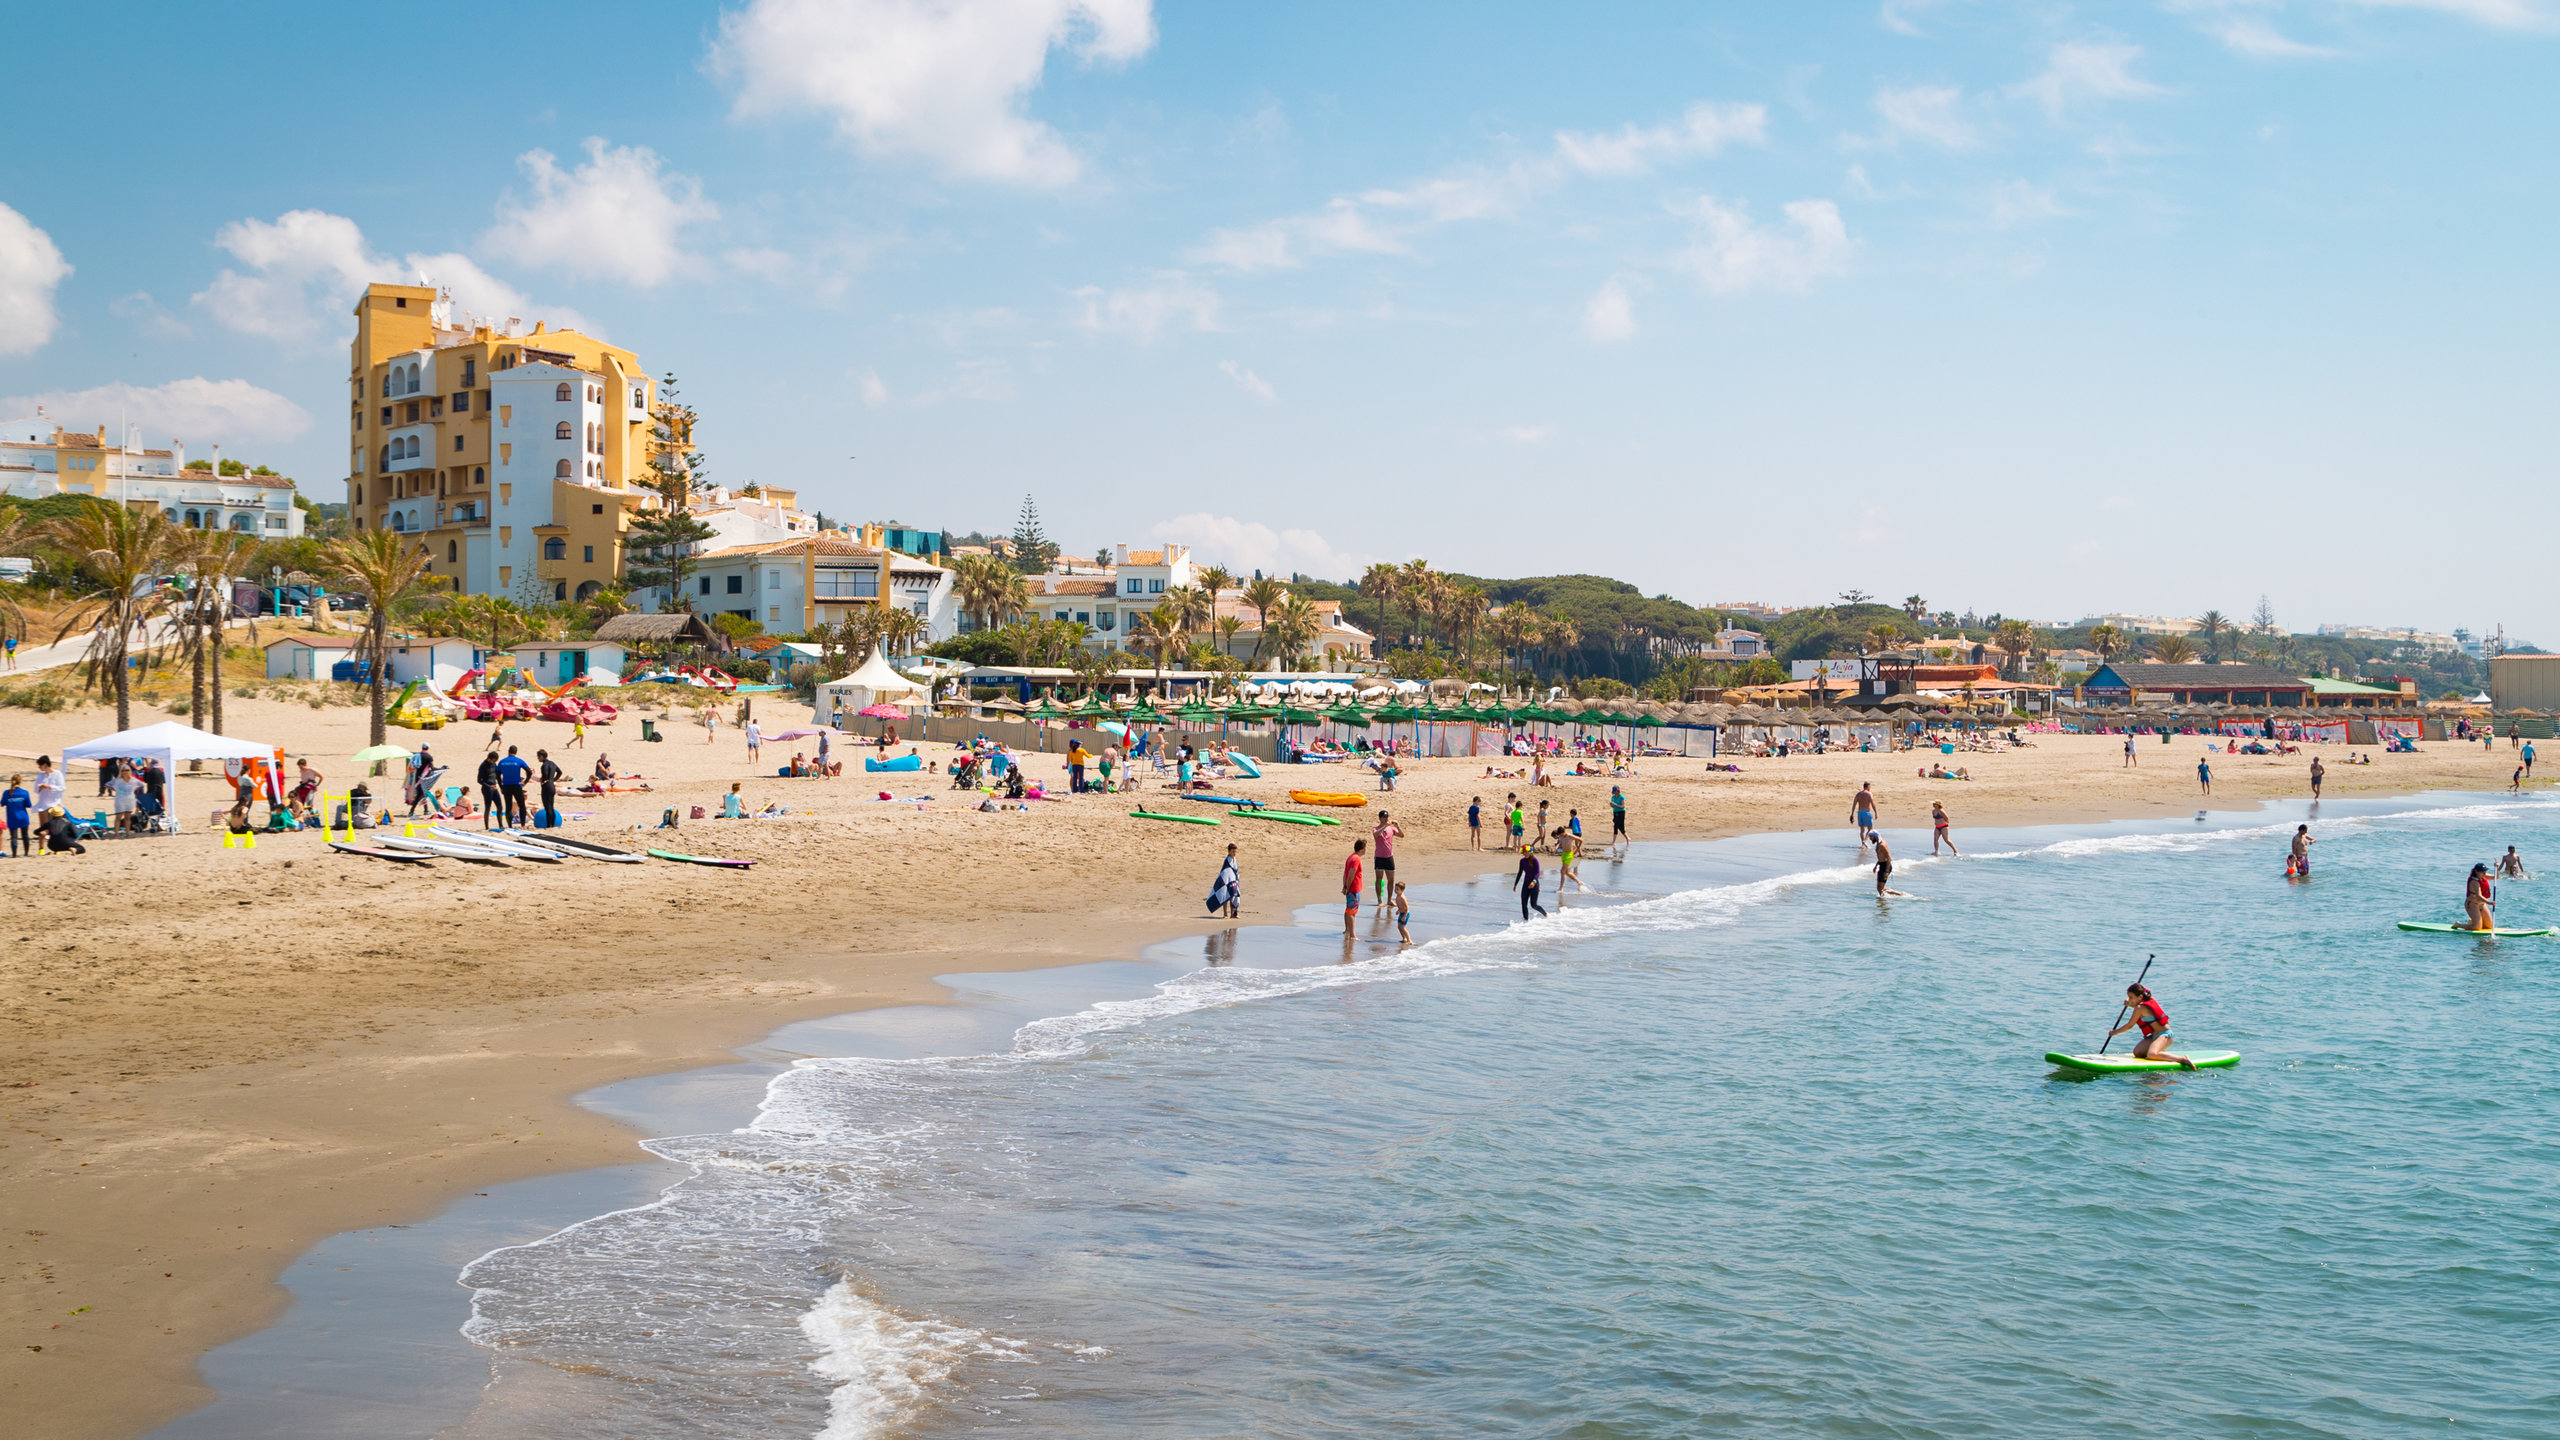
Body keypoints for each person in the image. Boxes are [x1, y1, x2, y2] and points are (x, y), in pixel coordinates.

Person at [2108, 983, 2195, 1069]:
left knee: (2151, 1054)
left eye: (2131, 997)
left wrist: (2115, 1032)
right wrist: (2130, 1004)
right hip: (2155, 1036)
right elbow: (2139, 1008)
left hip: (2165, 1035)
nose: (2129, 999)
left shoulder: (2140, 1008)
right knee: (2137, 1052)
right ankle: (2159, 1052)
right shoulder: (2143, 1004)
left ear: (2140, 997)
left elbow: (2130, 1025)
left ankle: (2182, 1059)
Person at [1371, 811, 1402, 910]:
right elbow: (1376, 835)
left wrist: (1398, 826)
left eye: (1387, 817)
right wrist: (1384, 826)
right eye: (1384, 817)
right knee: (1379, 879)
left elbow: (1401, 835)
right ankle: (1379, 900)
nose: (1386, 819)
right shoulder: (1376, 828)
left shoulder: (1391, 829)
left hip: (1389, 857)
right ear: (1380, 818)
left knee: (1391, 880)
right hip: (1379, 857)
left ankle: (1389, 899)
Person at [496, 745, 531, 827]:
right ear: (516, 752)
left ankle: (509, 825)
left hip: (506, 786)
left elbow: (497, 775)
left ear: (508, 751)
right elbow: (529, 772)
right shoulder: (519, 761)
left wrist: (501, 787)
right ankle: (522, 825)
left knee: (508, 807)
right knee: (521, 805)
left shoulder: (502, 762)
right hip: (517, 786)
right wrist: (525, 782)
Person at [1342, 837, 1366, 937]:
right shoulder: (1356, 859)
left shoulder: (1351, 856)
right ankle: (1353, 935)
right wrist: (1347, 887)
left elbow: (1345, 873)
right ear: (1362, 849)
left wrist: (1344, 886)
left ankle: (1347, 930)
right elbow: (1351, 874)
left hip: (1349, 887)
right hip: (1354, 889)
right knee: (1352, 912)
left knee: (1348, 909)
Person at [1211, 843, 1242, 919]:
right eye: (1233, 852)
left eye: (1235, 852)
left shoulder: (1234, 860)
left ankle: (1233, 913)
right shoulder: (1227, 861)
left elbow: (1235, 870)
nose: (1234, 853)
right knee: (1226, 896)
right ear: (1229, 851)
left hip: (1234, 880)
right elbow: (1225, 871)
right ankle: (1225, 914)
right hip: (1226, 881)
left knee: (1234, 896)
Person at [1513, 845, 1545, 919]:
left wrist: (1534, 881)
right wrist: (1515, 885)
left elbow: (1538, 873)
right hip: (1526, 884)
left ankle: (1546, 915)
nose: (1526, 853)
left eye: (1527, 852)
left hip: (1534, 884)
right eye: (1524, 852)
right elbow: (1520, 873)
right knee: (1524, 904)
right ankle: (1526, 921)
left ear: (1530, 852)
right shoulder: (1522, 861)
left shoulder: (1535, 860)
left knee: (1533, 905)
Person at [2464, 862, 2496, 932]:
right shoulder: (2474, 881)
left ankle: (2473, 921)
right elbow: (2479, 895)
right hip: (2472, 904)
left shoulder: (2483, 876)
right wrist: (2489, 902)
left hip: (2482, 904)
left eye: (2485, 871)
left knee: (2489, 926)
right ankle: (2458, 924)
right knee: (2477, 927)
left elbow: (2496, 877)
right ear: (2476, 872)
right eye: (2482, 872)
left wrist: (2497, 868)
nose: (2484, 873)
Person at [108, 766, 142, 833]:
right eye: (123, 770)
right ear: (121, 771)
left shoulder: (133, 780)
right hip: (120, 800)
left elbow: (141, 785)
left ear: (129, 771)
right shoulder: (118, 780)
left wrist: (133, 790)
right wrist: (116, 790)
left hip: (130, 800)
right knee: (118, 817)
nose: (125, 772)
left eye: (127, 770)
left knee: (127, 818)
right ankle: (116, 834)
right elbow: (107, 785)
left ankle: (127, 833)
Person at [4, 774, 30, 857]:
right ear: (20, 782)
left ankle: (14, 854)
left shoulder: (7, 793)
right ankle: (26, 853)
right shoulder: (25, 793)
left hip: (12, 817)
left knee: (13, 837)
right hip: (23, 817)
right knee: (25, 835)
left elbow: (2, 803)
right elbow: (28, 804)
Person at [476, 750, 503, 828]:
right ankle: (487, 827)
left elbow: (497, 776)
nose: (494, 762)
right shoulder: (483, 766)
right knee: (488, 807)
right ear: (489, 758)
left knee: (500, 806)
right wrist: (489, 786)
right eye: (494, 760)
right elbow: (479, 780)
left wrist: (501, 786)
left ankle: (501, 825)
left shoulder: (494, 764)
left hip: (494, 788)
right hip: (487, 789)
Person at [536, 748, 562, 825]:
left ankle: (549, 824)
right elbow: (560, 772)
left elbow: (545, 774)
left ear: (541, 756)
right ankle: (553, 824)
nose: (537, 758)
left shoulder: (544, 765)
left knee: (547, 807)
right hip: (552, 786)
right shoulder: (552, 763)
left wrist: (544, 781)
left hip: (546, 786)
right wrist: (553, 780)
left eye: (538, 757)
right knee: (551, 806)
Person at [1850, 782, 1878, 849]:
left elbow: (1854, 804)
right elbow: (1873, 803)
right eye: (1870, 787)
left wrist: (1852, 814)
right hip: (1867, 812)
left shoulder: (1858, 794)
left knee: (1862, 830)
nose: (1870, 788)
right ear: (1867, 787)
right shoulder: (1869, 794)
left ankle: (1863, 844)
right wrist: (1876, 812)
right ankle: (1865, 841)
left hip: (1860, 813)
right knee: (1870, 829)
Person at [1393, 880, 1412, 945]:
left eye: (1397, 889)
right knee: (1399, 927)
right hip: (1401, 913)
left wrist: (1405, 915)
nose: (1395, 890)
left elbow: (1406, 907)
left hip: (1405, 914)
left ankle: (1409, 940)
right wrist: (1398, 910)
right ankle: (1404, 938)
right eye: (1395, 889)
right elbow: (1400, 905)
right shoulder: (1397, 896)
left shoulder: (1402, 897)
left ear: (1402, 890)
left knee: (1403, 927)